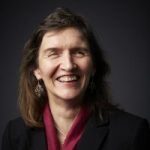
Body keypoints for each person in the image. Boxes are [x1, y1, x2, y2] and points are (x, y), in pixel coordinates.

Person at [1, 7, 150, 150]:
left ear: (94, 67)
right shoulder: (14, 135)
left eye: (79, 52)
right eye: (53, 53)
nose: (68, 65)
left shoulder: (131, 133)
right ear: (36, 70)